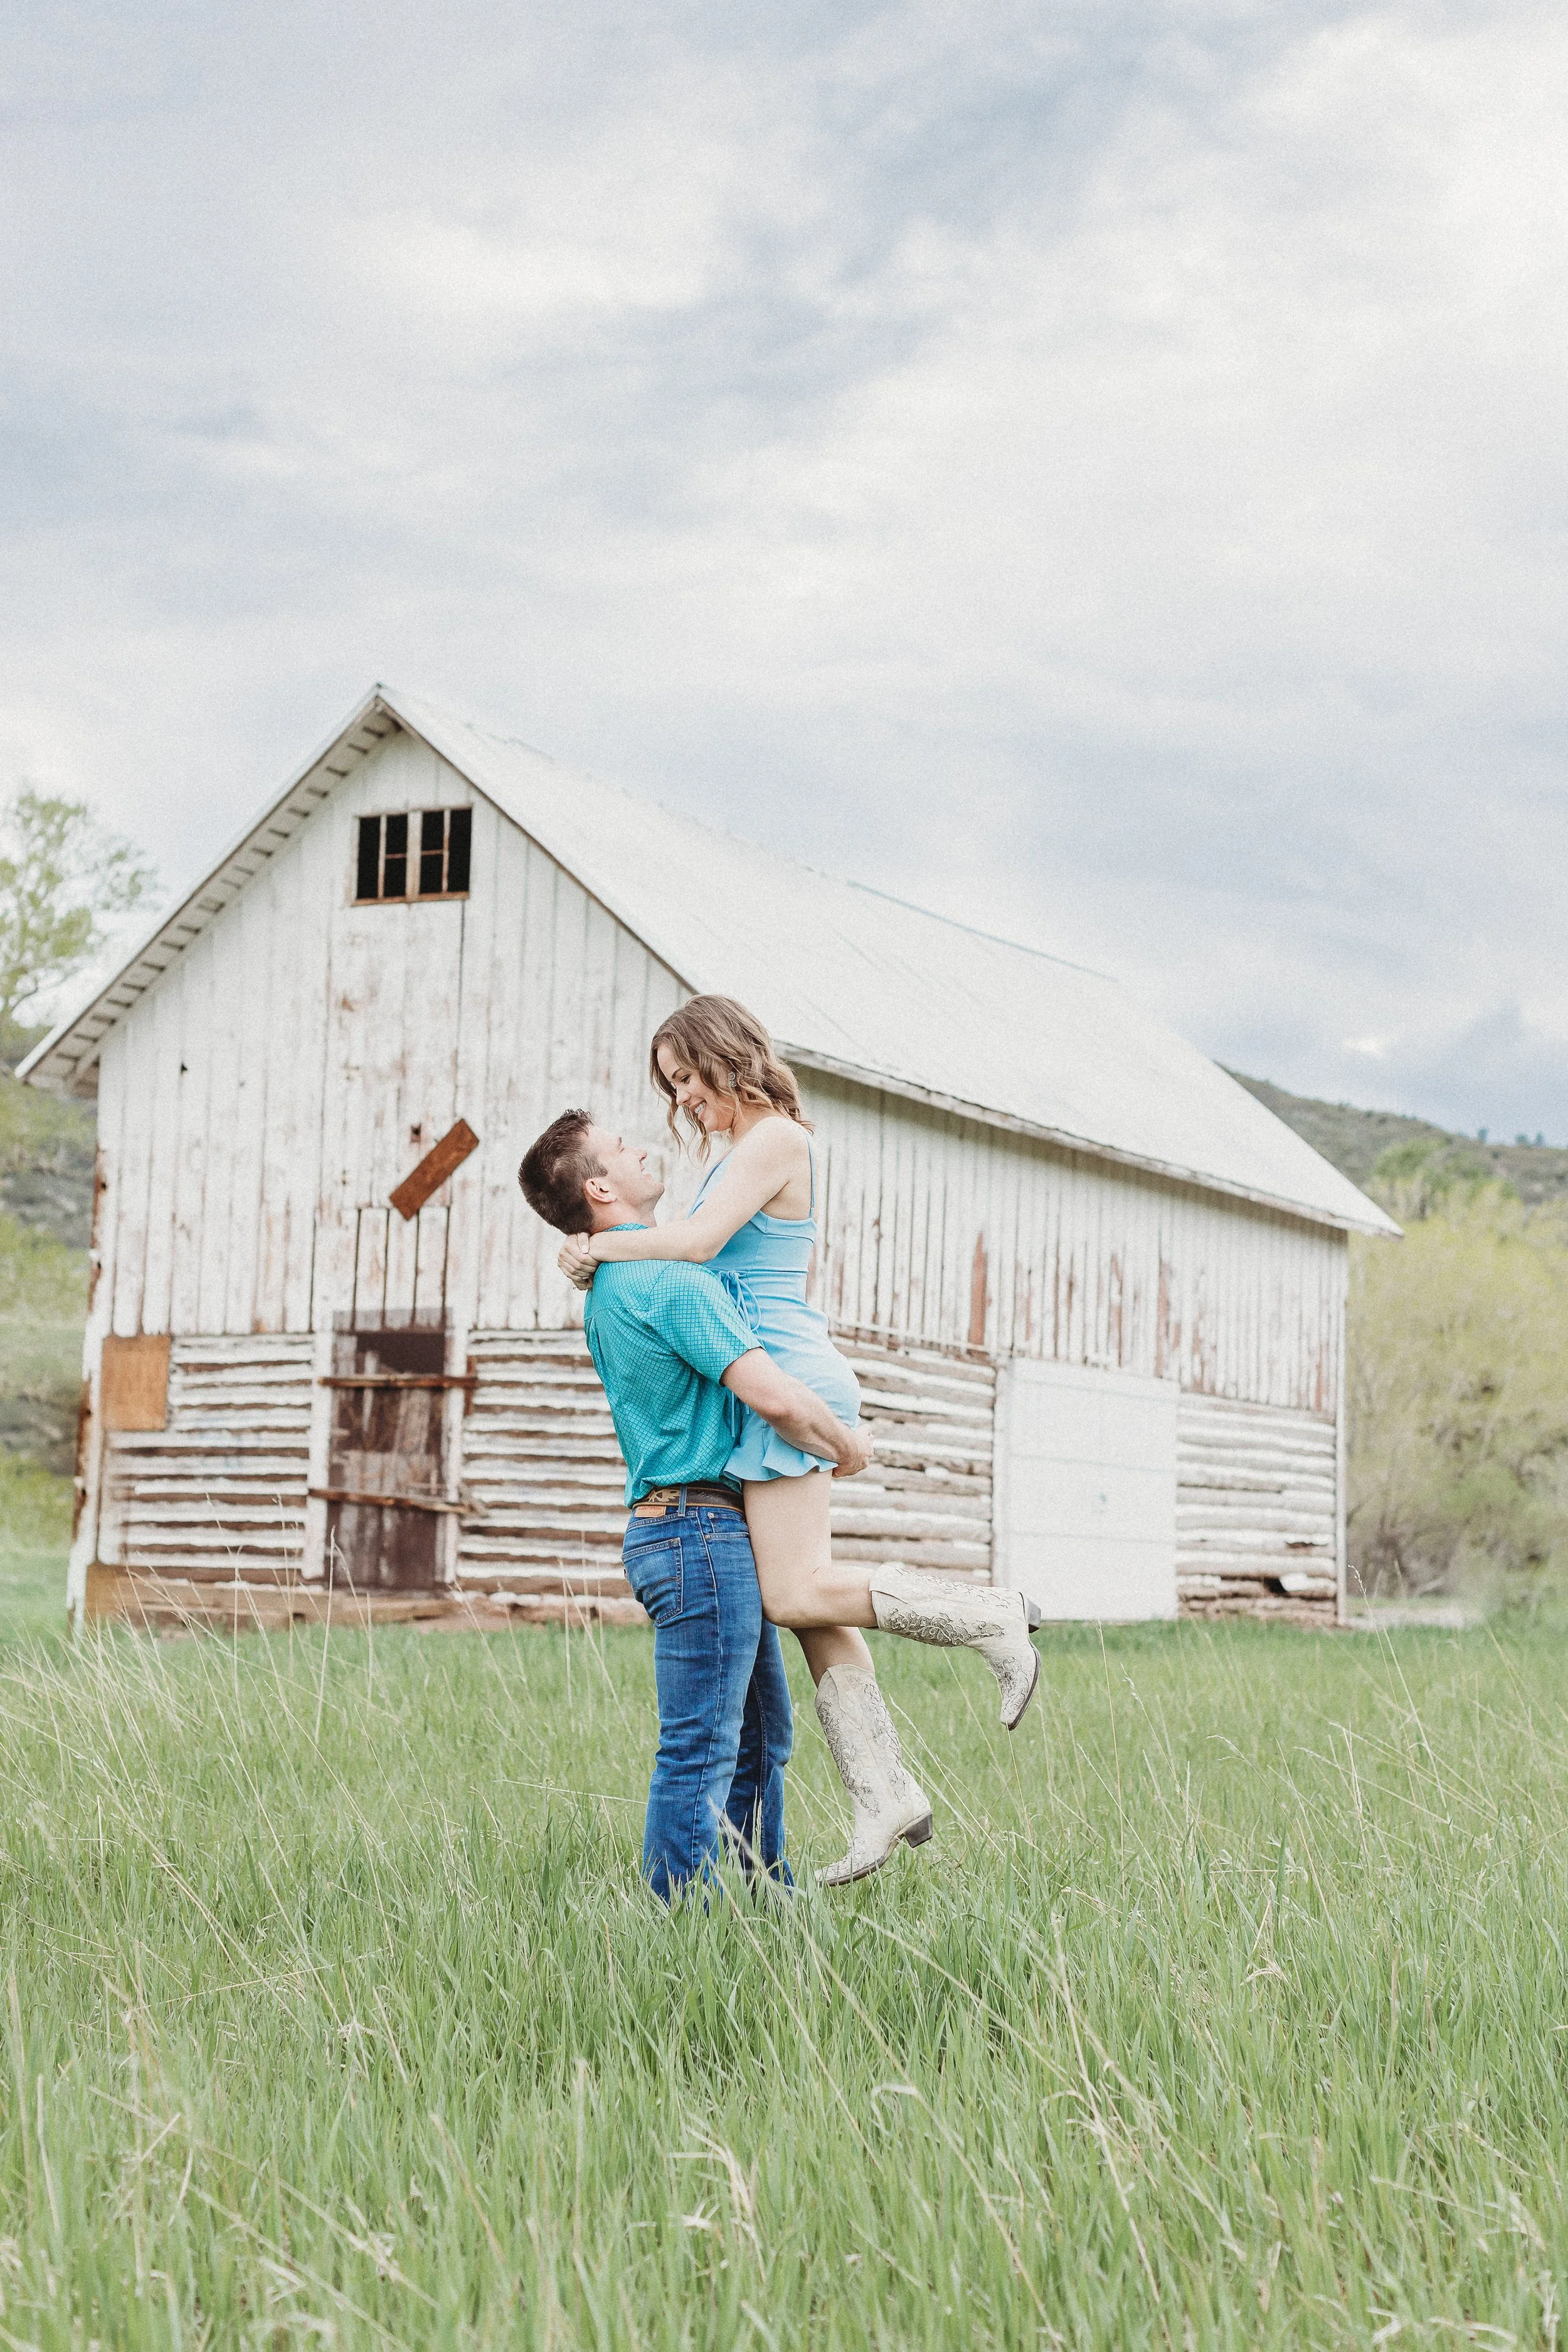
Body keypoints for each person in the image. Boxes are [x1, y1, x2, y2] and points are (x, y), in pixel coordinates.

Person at [555, 995, 1042, 1886]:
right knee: (808, 1601)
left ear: (725, 1055)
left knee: (793, 1589)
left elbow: (698, 1243)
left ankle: (988, 1616)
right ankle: (882, 1792)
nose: (685, 1099)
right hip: (760, 1379)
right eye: (672, 1086)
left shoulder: (777, 1136)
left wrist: (599, 1247)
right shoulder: (732, 1150)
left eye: (690, 1078)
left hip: (784, 1374)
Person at [519, 1107, 874, 1904]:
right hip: (697, 1533)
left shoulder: (617, 1278)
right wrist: (845, 1446)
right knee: (703, 1748)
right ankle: (679, 1921)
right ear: (602, 1186)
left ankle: (762, 1902)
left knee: (756, 1740)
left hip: (683, 1531)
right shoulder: (667, 1280)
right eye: (620, 1146)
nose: (642, 1143)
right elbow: (774, 1396)